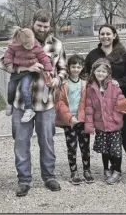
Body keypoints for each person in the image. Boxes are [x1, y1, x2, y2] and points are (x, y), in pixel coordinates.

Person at [0, 9, 68, 197]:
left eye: (46, 26)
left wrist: (57, 80)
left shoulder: (57, 45)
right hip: (22, 102)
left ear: (50, 26)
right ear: (33, 23)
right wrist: (24, 67)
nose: (42, 29)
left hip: (46, 103)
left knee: (47, 141)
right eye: (39, 25)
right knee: (21, 142)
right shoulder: (19, 40)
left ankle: (49, 176)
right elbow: (2, 63)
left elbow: (63, 69)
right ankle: (24, 180)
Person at [83, 24, 126, 179]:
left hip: (123, 99)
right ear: (99, 36)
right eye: (102, 34)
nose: (105, 36)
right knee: (108, 134)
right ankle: (113, 168)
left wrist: (119, 83)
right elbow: (86, 75)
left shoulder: (123, 53)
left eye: (108, 33)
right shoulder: (93, 55)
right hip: (103, 103)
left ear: (114, 35)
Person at [84, 58, 126, 185]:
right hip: (100, 125)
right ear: (94, 72)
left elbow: (121, 103)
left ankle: (117, 171)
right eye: (98, 71)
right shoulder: (90, 88)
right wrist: (89, 125)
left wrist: (117, 118)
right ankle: (106, 169)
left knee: (116, 149)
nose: (100, 73)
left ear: (108, 73)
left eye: (103, 71)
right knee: (105, 149)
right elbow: (89, 108)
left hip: (114, 125)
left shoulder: (114, 86)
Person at [54, 54, 93, 185]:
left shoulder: (85, 84)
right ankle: (74, 172)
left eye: (78, 67)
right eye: (73, 66)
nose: (76, 69)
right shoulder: (63, 84)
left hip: (83, 120)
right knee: (72, 146)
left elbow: (89, 102)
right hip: (69, 120)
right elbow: (59, 102)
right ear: (68, 68)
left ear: (82, 68)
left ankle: (87, 170)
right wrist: (69, 117)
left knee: (85, 146)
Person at [4, 27, 53, 122]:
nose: (30, 46)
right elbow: (8, 54)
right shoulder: (14, 46)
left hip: (28, 73)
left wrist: (48, 69)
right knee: (11, 87)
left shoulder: (36, 47)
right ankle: (9, 103)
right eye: (27, 45)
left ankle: (28, 109)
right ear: (21, 42)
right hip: (17, 71)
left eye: (31, 43)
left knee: (24, 88)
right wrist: (9, 63)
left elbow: (44, 58)